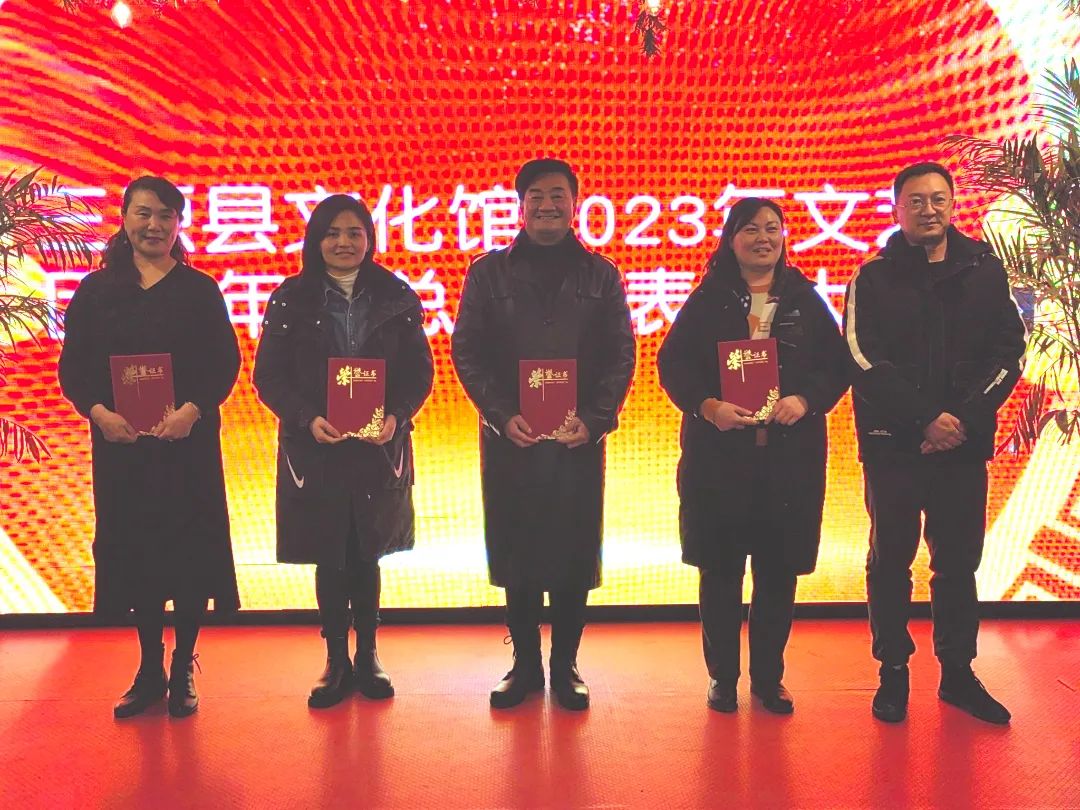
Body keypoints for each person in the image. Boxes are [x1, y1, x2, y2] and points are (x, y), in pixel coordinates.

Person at [843, 162, 1026, 725]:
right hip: (893, 445)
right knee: (890, 560)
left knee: (957, 563)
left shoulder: (984, 270)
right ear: (896, 209)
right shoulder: (872, 277)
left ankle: (958, 674)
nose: (929, 209)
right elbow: (861, 359)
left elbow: (1009, 353)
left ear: (952, 204)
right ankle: (893, 670)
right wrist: (924, 419)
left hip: (963, 446)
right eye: (916, 200)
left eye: (939, 198)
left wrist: (961, 421)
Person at [451, 158, 635, 710]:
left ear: (576, 204)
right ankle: (525, 665)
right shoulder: (488, 273)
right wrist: (500, 414)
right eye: (536, 195)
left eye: (558, 195)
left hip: (577, 440)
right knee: (519, 551)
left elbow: (621, 354)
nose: (547, 205)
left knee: (574, 553)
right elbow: (467, 351)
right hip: (513, 438)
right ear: (521, 205)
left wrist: (596, 420)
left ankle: (566, 665)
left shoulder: (601, 274)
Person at [58, 176, 241, 718]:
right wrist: (100, 414)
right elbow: (74, 368)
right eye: (143, 213)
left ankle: (183, 665)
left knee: (189, 556)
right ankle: (148, 667)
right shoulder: (96, 292)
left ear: (179, 224)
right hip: (123, 450)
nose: (154, 225)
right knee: (138, 555)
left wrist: (192, 410)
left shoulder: (199, 290)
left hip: (186, 448)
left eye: (165, 215)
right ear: (124, 219)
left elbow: (224, 362)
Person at [657, 197, 849, 714]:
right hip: (719, 462)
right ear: (731, 239)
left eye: (772, 228)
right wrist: (708, 407)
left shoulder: (805, 299)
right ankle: (722, 678)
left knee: (778, 575)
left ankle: (768, 679)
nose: (763, 238)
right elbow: (673, 365)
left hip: (787, 463)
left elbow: (837, 366)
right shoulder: (708, 299)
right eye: (750, 229)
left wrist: (804, 400)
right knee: (719, 573)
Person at [253, 194, 433, 709]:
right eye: (332, 233)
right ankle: (336, 659)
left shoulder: (396, 296)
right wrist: (307, 417)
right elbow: (268, 376)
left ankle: (369, 654)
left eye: (355, 232)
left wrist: (396, 416)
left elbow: (419, 373)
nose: (343, 242)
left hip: (377, 447)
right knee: (329, 555)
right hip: (317, 448)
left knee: (366, 552)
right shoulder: (290, 298)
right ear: (316, 240)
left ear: (369, 239)